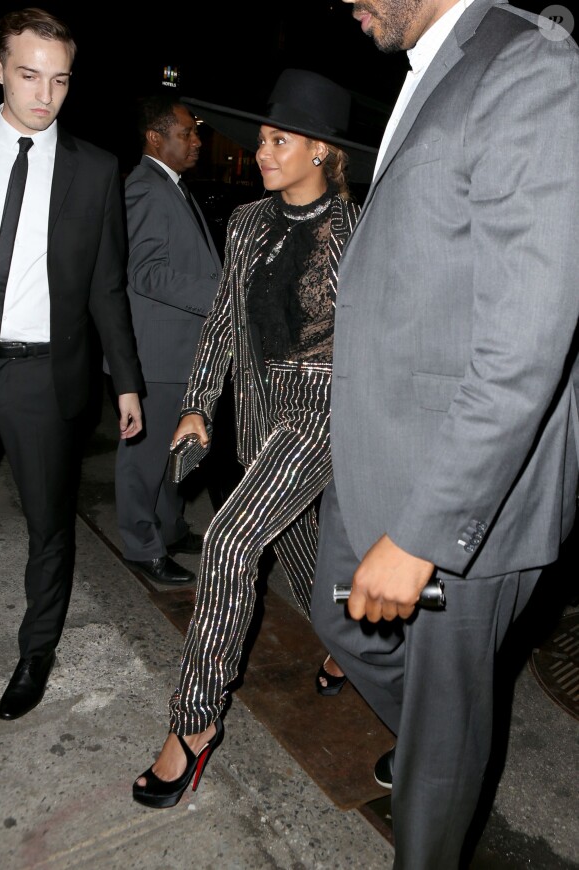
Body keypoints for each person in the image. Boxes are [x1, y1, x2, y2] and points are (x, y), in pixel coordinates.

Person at [310, 1, 579, 868]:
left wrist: (425, 536)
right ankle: (444, 745)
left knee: (442, 719)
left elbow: (525, 344)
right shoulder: (431, 65)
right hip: (383, 447)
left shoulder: (529, 66)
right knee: (339, 621)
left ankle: (440, 762)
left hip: (473, 483)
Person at [131, 68, 378, 808]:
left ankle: (193, 725)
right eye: (263, 137)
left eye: (279, 140)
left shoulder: (355, 234)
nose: (261, 151)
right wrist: (199, 404)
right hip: (263, 416)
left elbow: (382, 346)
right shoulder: (246, 223)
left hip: (324, 415)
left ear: (323, 152)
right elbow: (223, 323)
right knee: (303, 563)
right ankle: (348, 646)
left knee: (231, 542)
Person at [0, 8, 144, 721]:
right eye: (29, 75)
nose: (43, 96)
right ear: (0, 70)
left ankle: (36, 652)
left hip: (42, 377)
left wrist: (127, 380)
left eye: (58, 81)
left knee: (50, 523)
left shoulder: (95, 169)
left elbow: (106, 285)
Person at [114, 94, 222, 586]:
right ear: (156, 137)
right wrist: (222, 292)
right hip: (157, 355)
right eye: (187, 133)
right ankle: (141, 545)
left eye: (196, 132)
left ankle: (170, 527)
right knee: (144, 458)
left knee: (175, 450)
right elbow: (147, 274)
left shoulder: (172, 185)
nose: (197, 140)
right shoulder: (144, 187)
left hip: (180, 353)